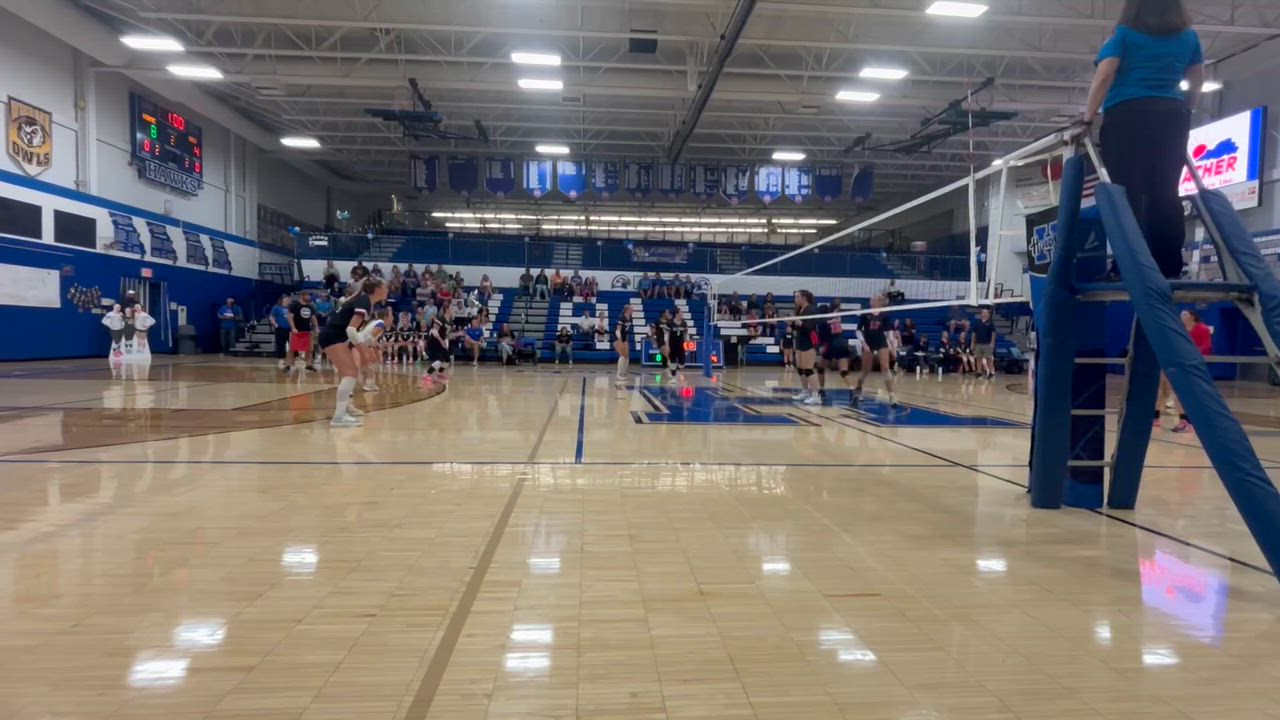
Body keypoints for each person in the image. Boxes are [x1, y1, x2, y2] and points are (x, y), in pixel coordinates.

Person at [1084, 0, 1203, 279]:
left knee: (1128, 193)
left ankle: (1128, 264)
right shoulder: (1189, 38)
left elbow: (1105, 73)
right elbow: (1197, 81)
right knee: (1166, 192)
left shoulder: (1124, 35)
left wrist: (1088, 117)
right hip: (1171, 118)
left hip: (1127, 116)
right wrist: (1185, 108)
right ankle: (1170, 266)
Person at [316, 276, 387, 427]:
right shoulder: (364, 302)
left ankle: (345, 407)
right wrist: (363, 353)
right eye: (385, 287)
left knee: (350, 372)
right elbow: (351, 330)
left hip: (335, 336)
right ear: (378, 289)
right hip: (332, 337)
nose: (387, 289)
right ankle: (339, 417)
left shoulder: (363, 300)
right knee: (350, 373)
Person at [1156, 309, 1212, 433]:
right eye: (1181, 314)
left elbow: (1206, 346)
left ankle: (1190, 422)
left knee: (1190, 393)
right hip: (1177, 363)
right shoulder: (1179, 329)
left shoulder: (1202, 328)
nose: (1182, 316)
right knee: (1168, 390)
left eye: (1185, 314)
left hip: (1193, 364)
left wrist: (1190, 354)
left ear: (1192, 316)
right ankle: (1172, 419)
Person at [852, 295, 899, 407]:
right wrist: (863, 343)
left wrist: (893, 349)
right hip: (868, 342)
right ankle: (858, 390)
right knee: (865, 370)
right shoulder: (865, 314)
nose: (870, 301)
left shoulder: (885, 315)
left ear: (879, 302)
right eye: (871, 299)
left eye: (873, 299)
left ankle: (892, 396)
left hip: (881, 341)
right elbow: (858, 331)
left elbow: (889, 334)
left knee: (885, 367)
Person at [815, 303, 855, 401]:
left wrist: (820, 347)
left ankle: (821, 390)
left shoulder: (821, 322)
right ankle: (852, 389)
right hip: (843, 343)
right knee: (844, 371)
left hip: (832, 344)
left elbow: (822, 339)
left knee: (820, 368)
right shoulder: (835, 320)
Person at [791, 290, 820, 404]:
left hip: (809, 342)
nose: (795, 299)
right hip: (800, 341)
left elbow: (810, 327)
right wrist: (791, 323)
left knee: (808, 369)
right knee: (800, 368)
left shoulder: (811, 310)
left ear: (804, 298)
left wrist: (799, 322)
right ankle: (805, 391)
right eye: (795, 297)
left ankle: (816, 396)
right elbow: (797, 328)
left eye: (797, 297)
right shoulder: (799, 310)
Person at [287, 292, 319, 372]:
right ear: (302, 296)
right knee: (292, 348)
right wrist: (293, 328)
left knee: (309, 349)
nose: (309, 297)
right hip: (296, 330)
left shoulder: (310, 306)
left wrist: (316, 327)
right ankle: (289, 365)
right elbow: (290, 317)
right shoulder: (294, 305)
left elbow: (313, 318)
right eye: (307, 295)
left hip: (307, 330)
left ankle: (308, 365)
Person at [971, 307, 998, 379]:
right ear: (981, 314)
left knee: (989, 358)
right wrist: (972, 343)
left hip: (987, 344)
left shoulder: (991, 323)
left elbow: (993, 334)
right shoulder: (977, 323)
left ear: (988, 314)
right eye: (983, 313)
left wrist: (992, 343)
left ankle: (991, 372)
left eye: (986, 313)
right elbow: (974, 334)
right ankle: (979, 372)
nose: (985, 314)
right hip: (978, 344)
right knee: (978, 358)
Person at [269, 294, 292, 369]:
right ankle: (281, 359)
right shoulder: (276, 307)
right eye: (286, 299)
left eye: (288, 300)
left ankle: (291, 359)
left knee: (292, 344)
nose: (287, 301)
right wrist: (275, 325)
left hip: (290, 329)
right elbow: (271, 316)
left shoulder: (291, 308)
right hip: (280, 328)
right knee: (280, 344)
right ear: (282, 300)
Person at [614, 304, 634, 384]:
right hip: (618, 338)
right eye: (631, 309)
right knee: (622, 356)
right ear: (627, 310)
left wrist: (626, 340)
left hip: (625, 338)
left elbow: (627, 330)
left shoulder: (630, 318)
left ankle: (623, 373)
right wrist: (620, 339)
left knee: (627, 356)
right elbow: (618, 330)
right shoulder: (622, 318)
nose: (633, 310)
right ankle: (618, 374)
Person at [667, 309, 689, 378]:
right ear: (677, 314)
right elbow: (667, 335)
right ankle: (673, 374)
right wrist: (667, 345)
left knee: (682, 363)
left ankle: (677, 367)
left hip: (681, 345)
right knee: (673, 364)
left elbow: (686, 333)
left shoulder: (684, 323)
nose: (682, 314)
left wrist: (687, 342)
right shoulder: (670, 323)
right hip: (672, 345)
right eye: (681, 313)